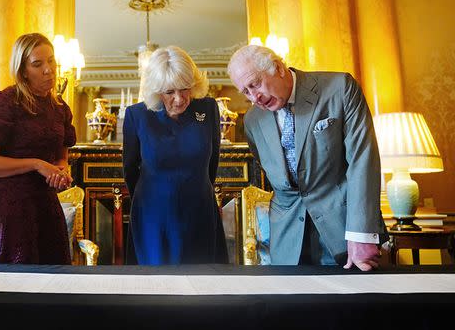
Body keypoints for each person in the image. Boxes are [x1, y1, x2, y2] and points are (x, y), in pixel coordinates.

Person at [227, 44, 387, 271]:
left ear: (277, 68)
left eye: (255, 84)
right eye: (245, 91)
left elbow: (363, 160)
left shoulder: (339, 88)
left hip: (345, 233)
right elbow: (273, 175)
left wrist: (361, 233)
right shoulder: (253, 121)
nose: (255, 98)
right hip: (287, 243)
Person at [0, 33, 76, 265]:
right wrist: (36, 164)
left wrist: (60, 170)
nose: (48, 70)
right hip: (7, 208)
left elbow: (61, 156)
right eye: (38, 64)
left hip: (44, 207)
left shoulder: (60, 108)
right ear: (23, 71)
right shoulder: (4, 103)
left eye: (51, 61)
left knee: (48, 285)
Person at [122, 45, 227, 265]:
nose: (179, 99)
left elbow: (212, 162)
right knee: (156, 285)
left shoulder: (208, 109)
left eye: (184, 89)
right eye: (169, 92)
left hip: (199, 210)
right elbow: (130, 170)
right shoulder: (136, 116)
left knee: (201, 283)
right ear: (156, 90)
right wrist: (152, 198)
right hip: (153, 214)